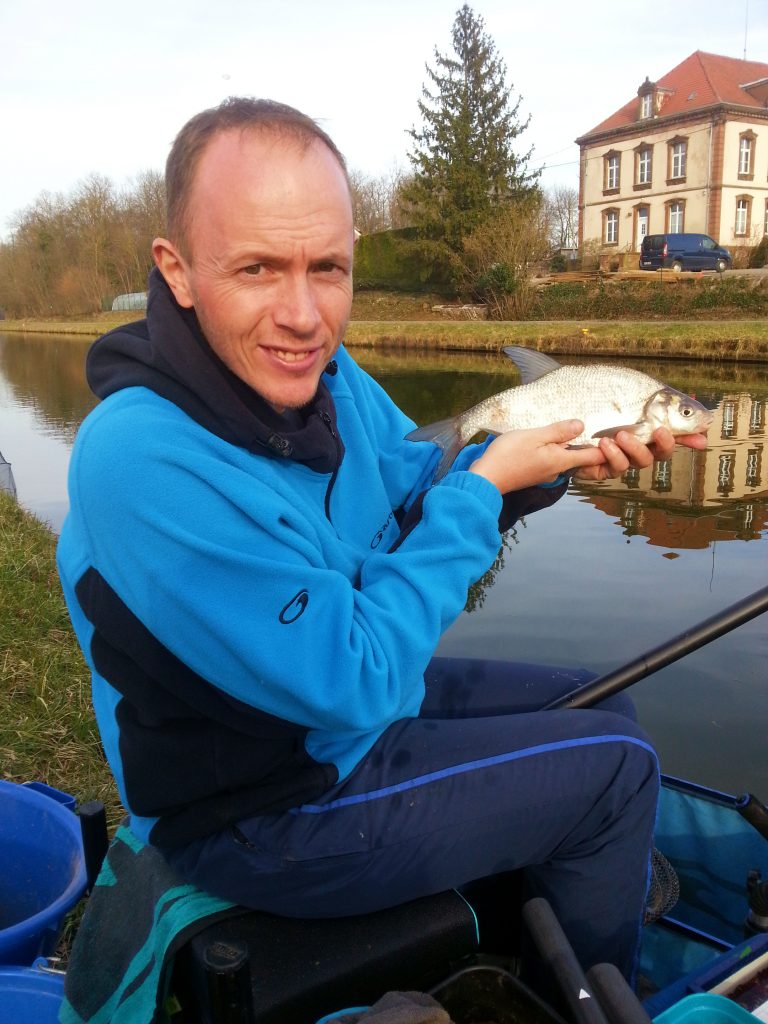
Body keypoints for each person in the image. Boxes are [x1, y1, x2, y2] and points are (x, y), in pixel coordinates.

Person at [57, 97, 708, 988]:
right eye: (257, 268)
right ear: (178, 271)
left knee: (605, 709)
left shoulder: (328, 379)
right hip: (264, 808)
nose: (303, 315)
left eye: (328, 268)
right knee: (620, 774)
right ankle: (586, 1003)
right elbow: (354, 672)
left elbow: (421, 493)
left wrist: (556, 462)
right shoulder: (138, 457)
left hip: (350, 726)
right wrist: (483, 488)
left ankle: (516, 928)